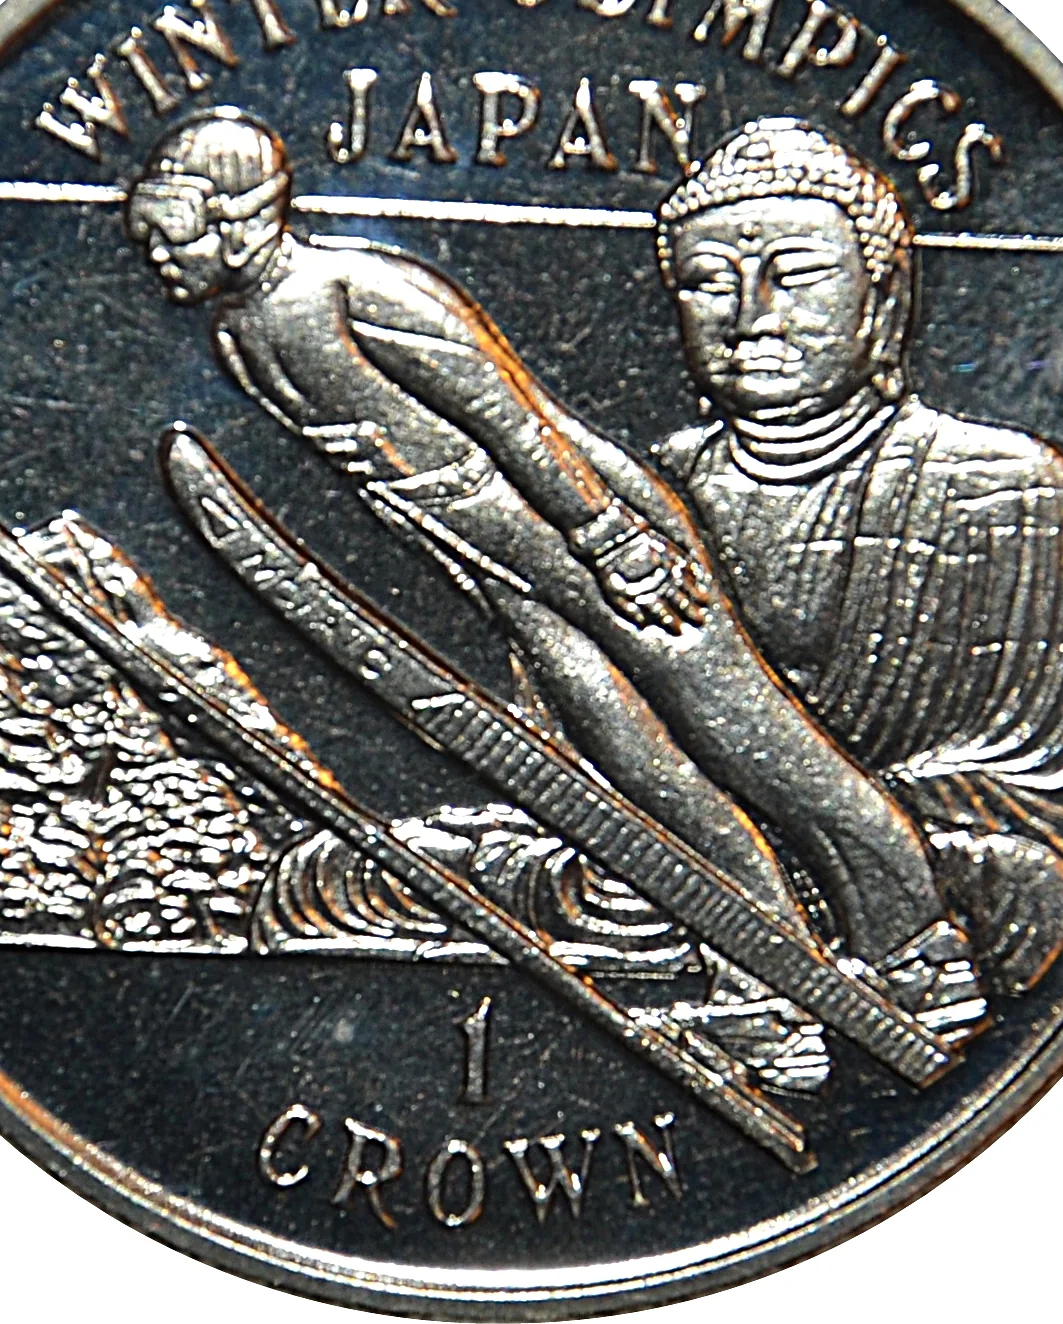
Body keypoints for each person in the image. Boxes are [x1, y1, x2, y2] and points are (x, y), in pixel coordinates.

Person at [125, 105, 985, 1031]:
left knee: (753, 739)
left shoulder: (349, 289)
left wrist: (611, 539)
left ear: (238, 218)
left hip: (588, 526)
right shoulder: (238, 329)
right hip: (495, 560)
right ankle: (767, 982)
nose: (156, 258)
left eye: (170, 232)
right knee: (633, 771)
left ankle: (919, 954)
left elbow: (510, 414)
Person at [652, 119, 1063, 992]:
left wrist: (841, 829)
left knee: (1012, 891)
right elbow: (585, 747)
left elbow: (1025, 785)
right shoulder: (651, 487)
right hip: (676, 861)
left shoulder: (1011, 490)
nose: (749, 315)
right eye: (707, 282)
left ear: (884, 297)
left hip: (911, 861)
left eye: (796, 275)